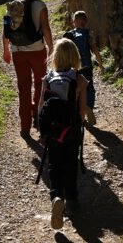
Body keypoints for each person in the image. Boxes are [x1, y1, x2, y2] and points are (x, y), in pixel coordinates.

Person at [37, 38, 87, 229]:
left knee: (54, 166)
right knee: (70, 164)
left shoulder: (48, 77)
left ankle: (56, 196)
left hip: (53, 131)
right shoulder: (79, 79)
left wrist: (43, 131)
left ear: (55, 57)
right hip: (71, 129)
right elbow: (82, 109)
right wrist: (79, 123)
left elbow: (42, 106)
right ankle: (72, 201)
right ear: (75, 56)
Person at [3, 0, 53, 141]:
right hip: (37, 51)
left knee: (23, 89)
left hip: (18, 52)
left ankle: (24, 128)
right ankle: (38, 119)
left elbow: (6, 32)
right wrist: (52, 48)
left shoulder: (13, 7)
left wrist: (6, 51)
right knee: (40, 85)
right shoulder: (40, 5)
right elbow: (45, 28)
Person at [64, 10, 103, 126]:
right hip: (86, 66)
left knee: (76, 89)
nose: (73, 21)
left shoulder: (68, 35)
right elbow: (94, 48)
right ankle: (88, 106)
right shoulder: (88, 33)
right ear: (85, 22)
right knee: (89, 87)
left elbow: (64, 52)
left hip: (72, 68)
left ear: (76, 21)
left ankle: (78, 113)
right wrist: (100, 62)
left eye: (74, 19)